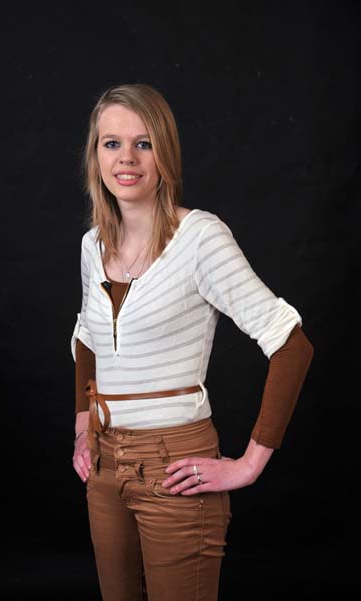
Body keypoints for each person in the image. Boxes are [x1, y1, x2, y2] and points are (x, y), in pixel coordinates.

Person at [71, 83, 314, 601]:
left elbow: (292, 346)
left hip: (174, 464)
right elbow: (87, 336)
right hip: (104, 465)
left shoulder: (201, 238)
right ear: (96, 156)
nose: (126, 158)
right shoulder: (94, 244)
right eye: (112, 143)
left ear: (165, 153)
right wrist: (82, 423)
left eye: (143, 143)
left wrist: (248, 465)